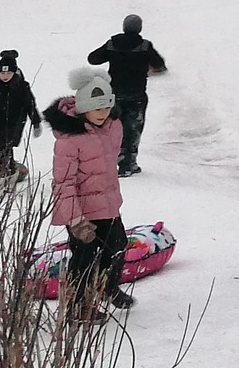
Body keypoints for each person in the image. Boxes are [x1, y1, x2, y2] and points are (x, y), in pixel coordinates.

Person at [47, 69, 132, 316]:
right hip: (81, 212)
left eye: (106, 108)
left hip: (107, 204)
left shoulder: (112, 126)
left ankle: (108, 288)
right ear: (84, 107)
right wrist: (75, 219)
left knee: (117, 246)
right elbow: (63, 182)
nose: (103, 113)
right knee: (85, 258)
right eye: (97, 109)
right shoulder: (69, 139)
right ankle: (78, 306)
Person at [87, 16, 166, 177]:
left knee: (113, 128)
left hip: (114, 94)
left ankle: (110, 161)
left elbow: (93, 59)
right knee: (133, 129)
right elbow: (159, 65)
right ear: (140, 28)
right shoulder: (144, 46)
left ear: (124, 27)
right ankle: (128, 164)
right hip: (136, 94)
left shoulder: (111, 44)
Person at [0, 49, 40, 175]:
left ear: (14, 72)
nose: (5, 76)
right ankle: (6, 167)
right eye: (2, 73)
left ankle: (7, 167)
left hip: (15, 122)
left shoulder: (21, 87)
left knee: (8, 144)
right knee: (3, 145)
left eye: (9, 73)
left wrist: (36, 122)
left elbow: (30, 105)